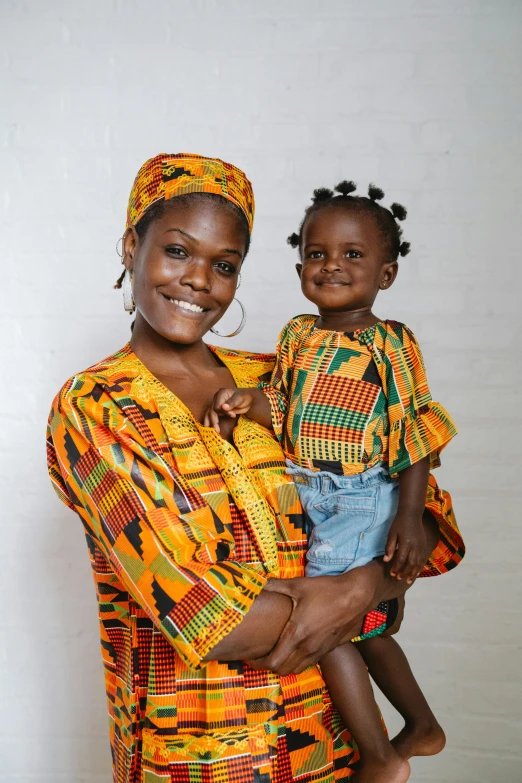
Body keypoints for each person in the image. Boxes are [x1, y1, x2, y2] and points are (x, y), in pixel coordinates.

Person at [46, 155, 465, 783]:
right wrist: (367, 588)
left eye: (224, 265)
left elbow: (428, 528)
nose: (198, 281)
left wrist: (368, 578)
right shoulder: (99, 407)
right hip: (200, 753)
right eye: (178, 251)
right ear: (133, 245)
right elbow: (205, 614)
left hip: (332, 749)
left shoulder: (276, 380)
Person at [206, 181, 461, 782]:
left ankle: (378, 759)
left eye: (353, 255)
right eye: (317, 254)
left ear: (387, 272)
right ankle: (423, 726)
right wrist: (248, 402)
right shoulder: (298, 334)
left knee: (330, 627)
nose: (332, 266)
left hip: (362, 496)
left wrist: (406, 514)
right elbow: (288, 408)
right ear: (299, 266)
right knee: (369, 631)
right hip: (311, 490)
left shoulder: (390, 343)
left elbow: (415, 430)